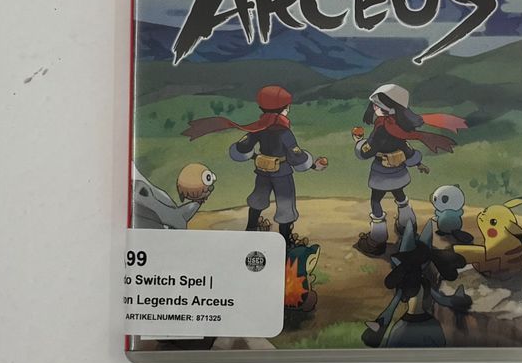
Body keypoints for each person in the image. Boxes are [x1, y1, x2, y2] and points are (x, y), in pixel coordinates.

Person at [183, 85, 326, 245]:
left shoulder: (259, 129)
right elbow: (296, 155)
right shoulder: (284, 132)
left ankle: (251, 230)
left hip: (262, 171)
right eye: (287, 106)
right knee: (285, 206)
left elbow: (242, 147)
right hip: (282, 173)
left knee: (258, 199)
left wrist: (255, 157)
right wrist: (313, 165)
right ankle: (285, 243)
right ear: (284, 109)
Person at [352, 83, 464, 256]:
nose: (375, 108)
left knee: (376, 201)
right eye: (375, 105)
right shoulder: (400, 128)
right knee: (400, 197)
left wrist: (358, 142)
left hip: (382, 173)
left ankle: (377, 240)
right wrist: (417, 163)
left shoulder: (381, 128)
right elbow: (406, 148)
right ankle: (407, 225)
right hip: (399, 172)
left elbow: (367, 151)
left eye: (378, 106)